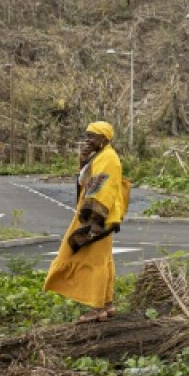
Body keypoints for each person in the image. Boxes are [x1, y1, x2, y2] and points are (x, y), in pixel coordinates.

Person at [43, 121, 130, 323]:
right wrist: (83, 162)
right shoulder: (100, 156)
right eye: (87, 135)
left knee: (93, 261)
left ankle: (96, 307)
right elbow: (87, 182)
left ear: (104, 138)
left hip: (98, 218)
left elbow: (104, 190)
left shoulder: (108, 158)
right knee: (102, 260)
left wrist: (93, 220)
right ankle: (107, 304)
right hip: (100, 217)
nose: (88, 139)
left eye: (92, 136)